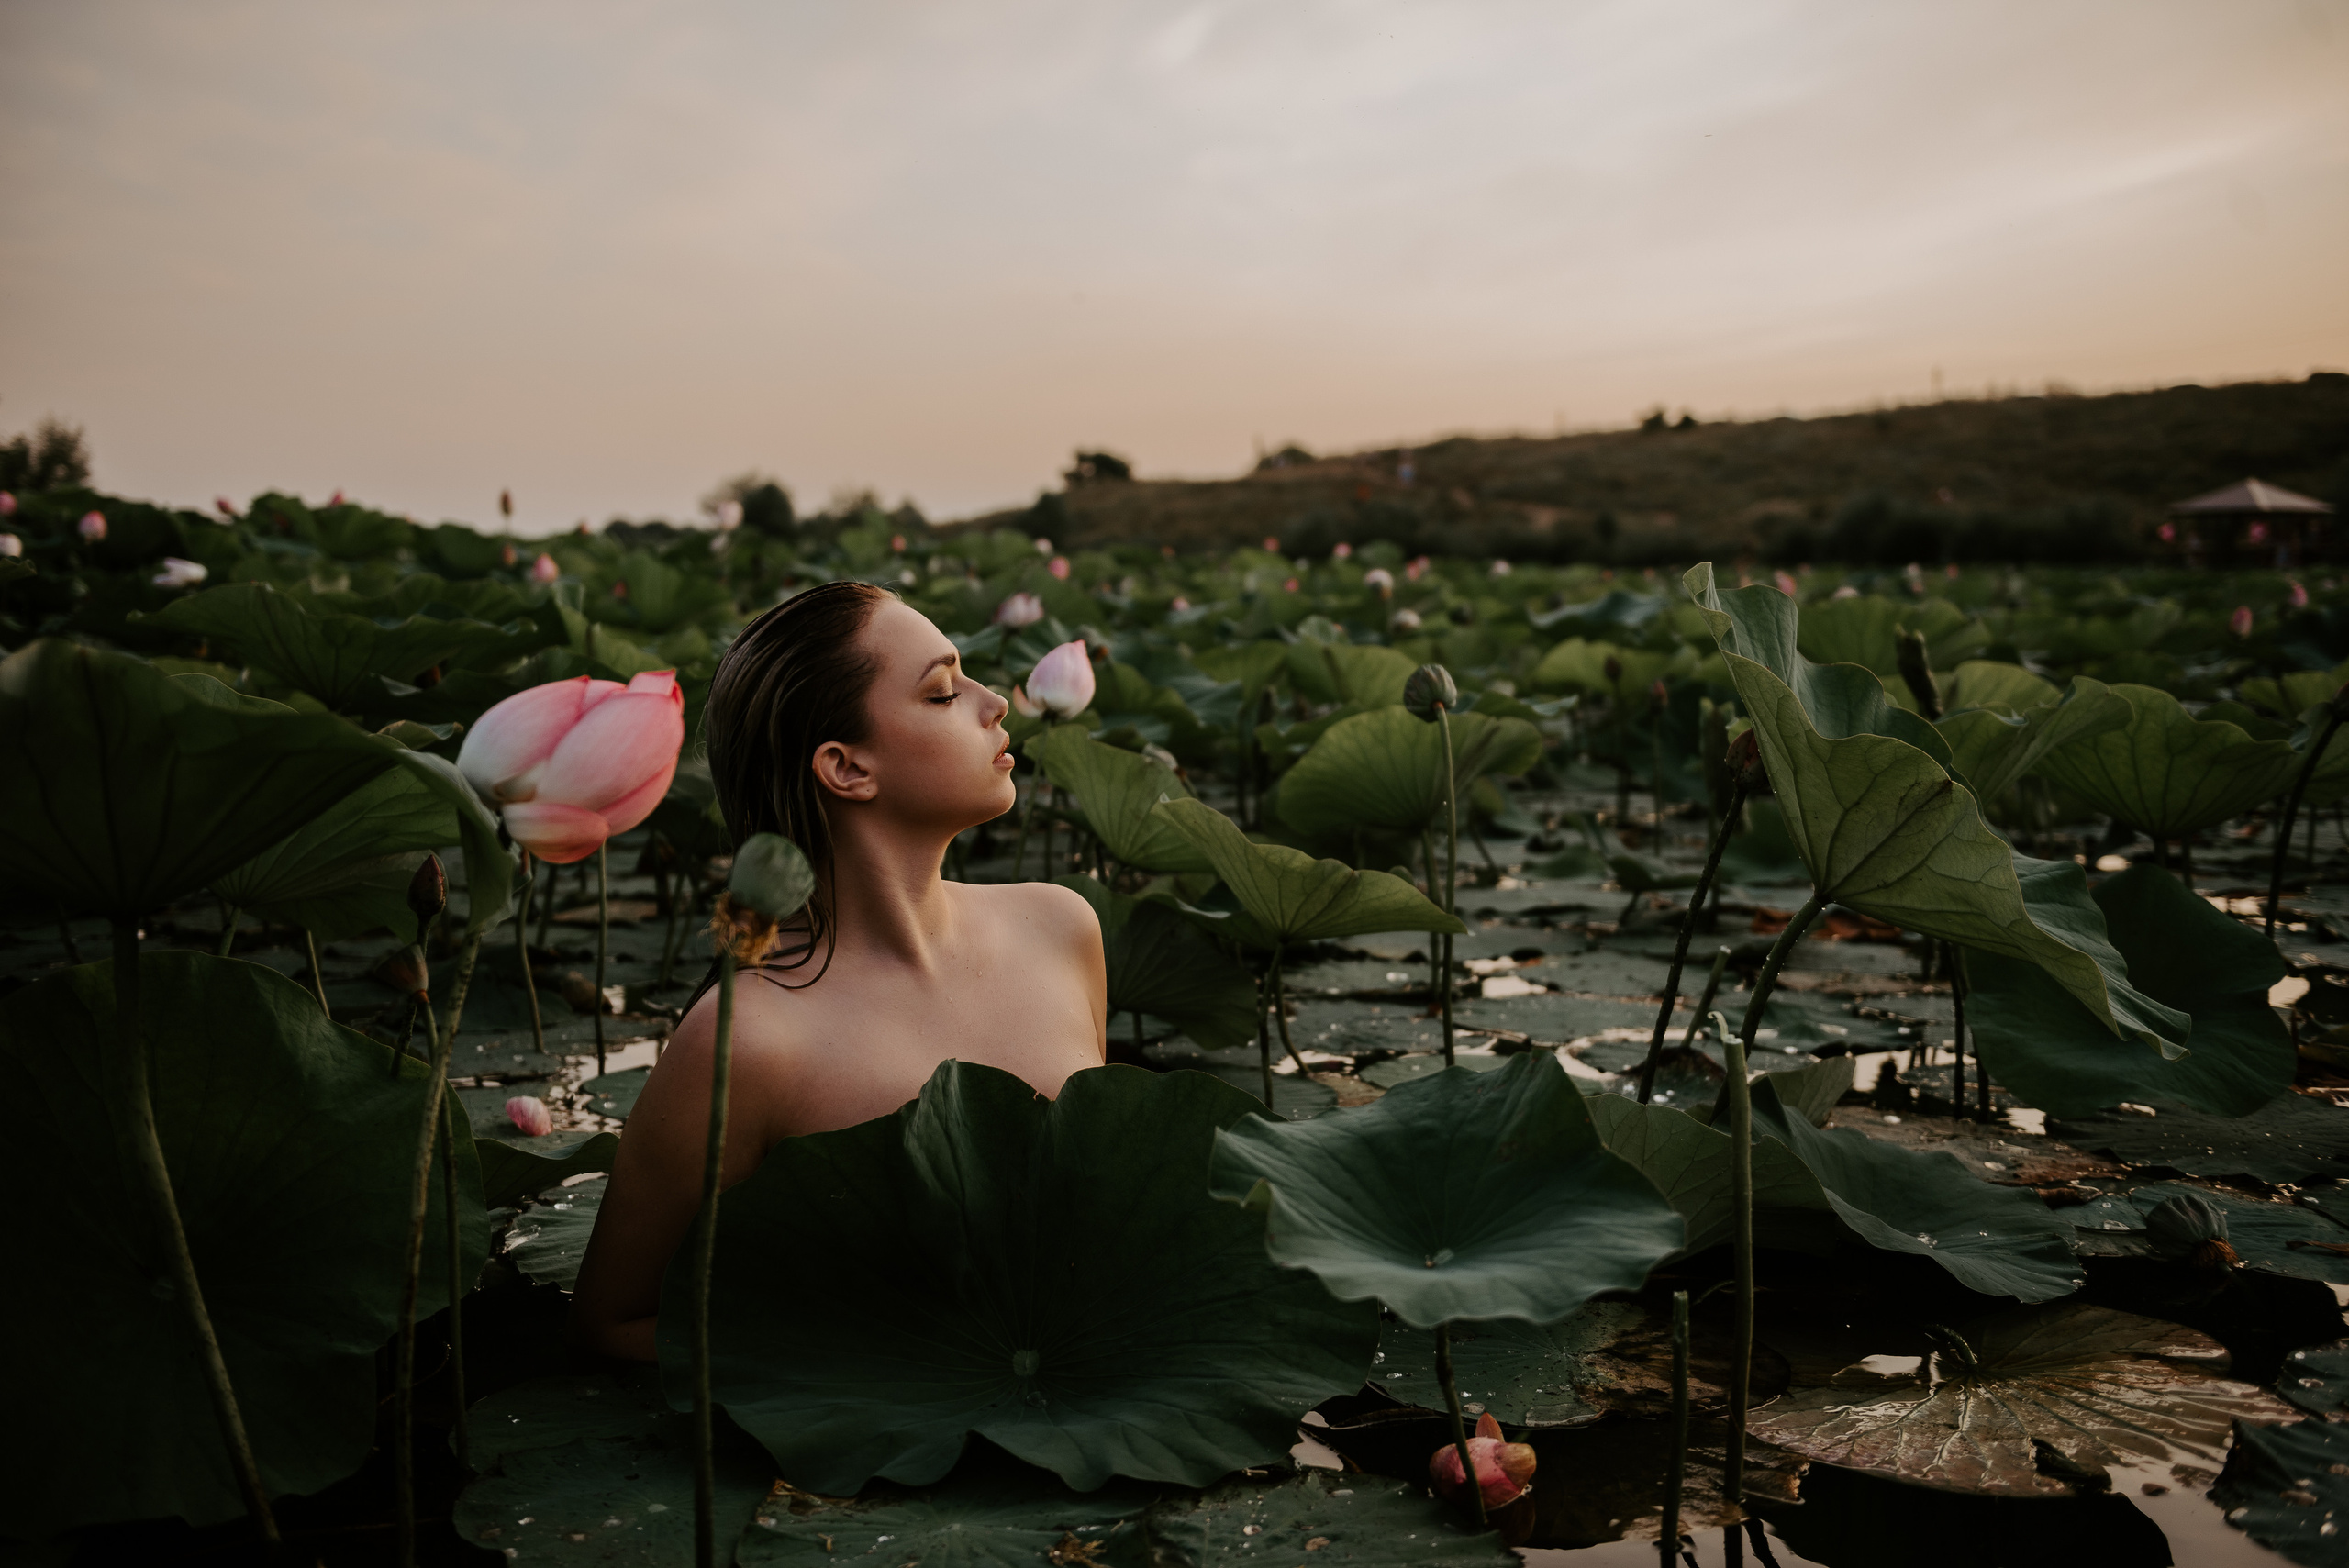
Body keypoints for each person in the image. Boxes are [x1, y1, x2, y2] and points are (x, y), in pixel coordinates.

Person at [570, 582, 1108, 1361]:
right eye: (943, 691)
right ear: (847, 767)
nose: (997, 703)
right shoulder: (745, 1038)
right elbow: (608, 1325)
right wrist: (858, 1373)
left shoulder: (1063, 929)